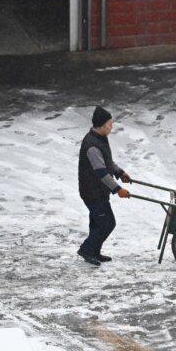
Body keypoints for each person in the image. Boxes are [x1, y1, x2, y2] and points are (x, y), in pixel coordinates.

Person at [77, 106, 131, 266]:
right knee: (107, 223)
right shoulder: (92, 145)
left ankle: (94, 251)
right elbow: (101, 173)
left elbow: (107, 162)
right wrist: (118, 189)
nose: (111, 127)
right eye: (109, 124)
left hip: (97, 191)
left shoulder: (99, 138)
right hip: (92, 191)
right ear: (100, 125)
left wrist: (120, 172)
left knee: (97, 222)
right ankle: (86, 250)